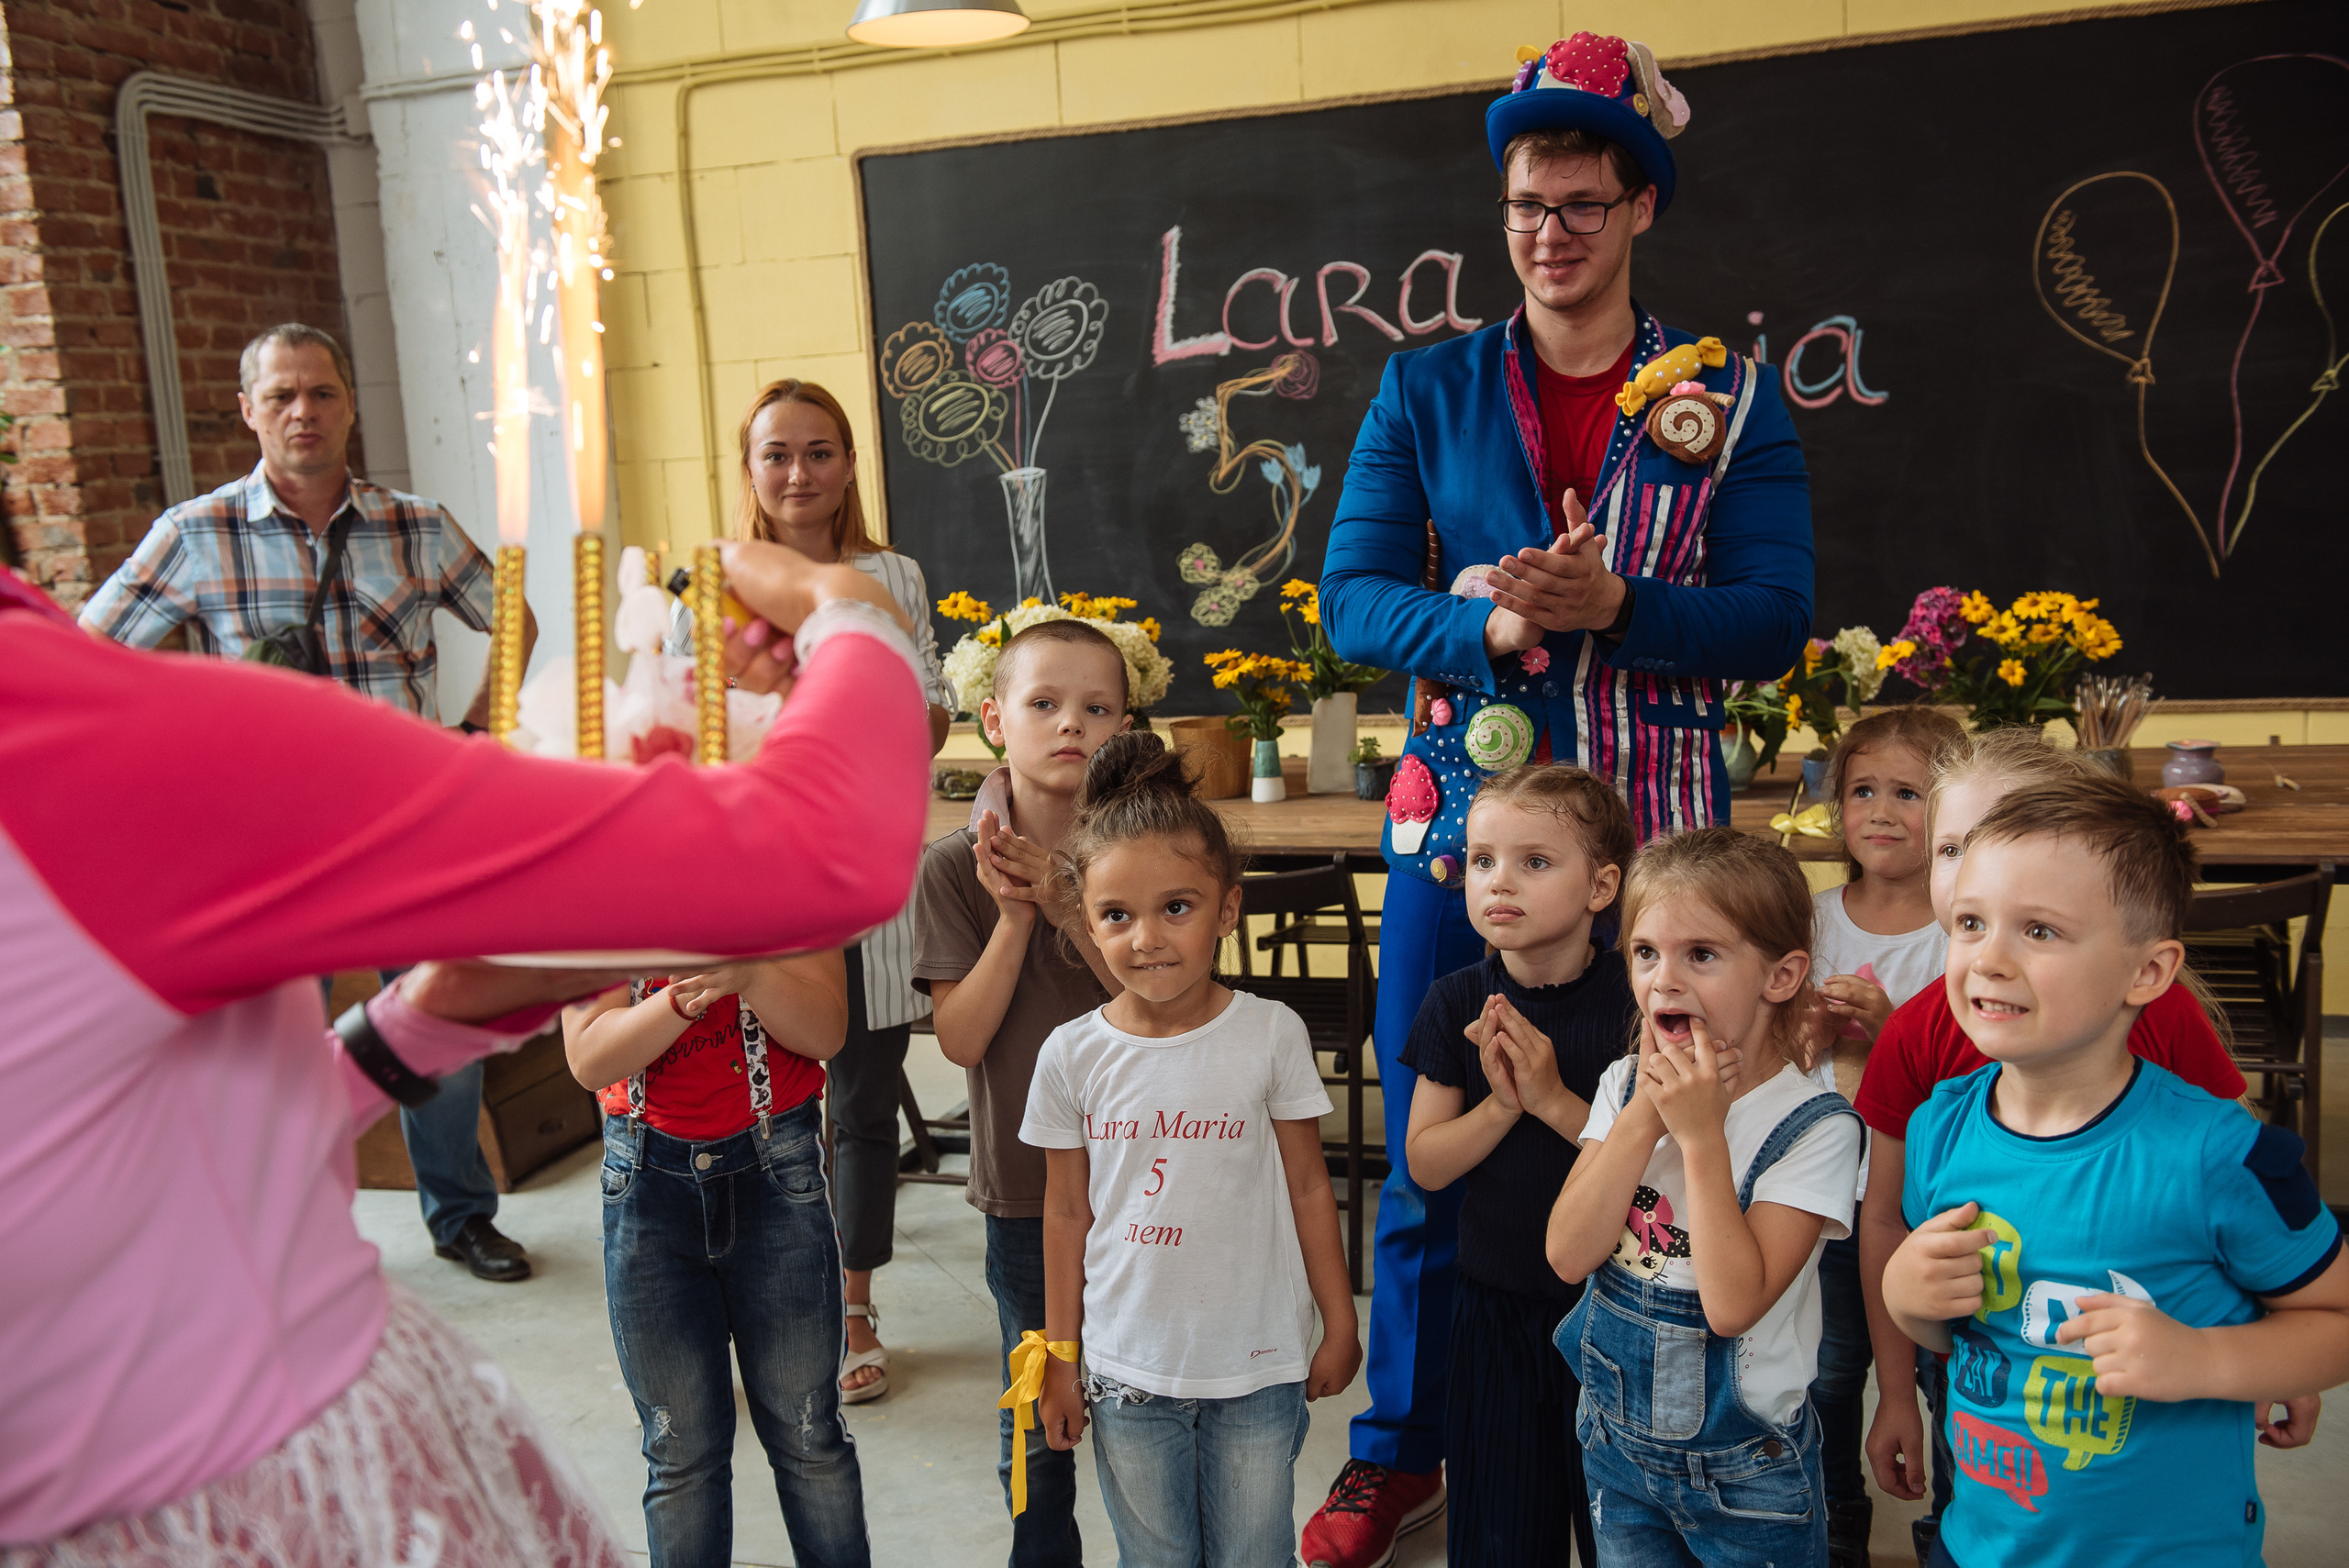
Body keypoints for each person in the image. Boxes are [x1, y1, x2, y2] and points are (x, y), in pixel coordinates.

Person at [0, 541, 928, 1559]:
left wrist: (407, 1033)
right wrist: (845, 606)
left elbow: (88, 1143)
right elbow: (819, 852)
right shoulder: (93, 743)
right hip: (243, 1493)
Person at [1311, 36, 1812, 1556]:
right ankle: (1406, 1440)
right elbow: (1351, 599)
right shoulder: (1427, 386)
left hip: (1661, 862)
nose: (1552, 231)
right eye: (1530, 202)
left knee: (1664, 1136)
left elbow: (1774, 614)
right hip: (1462, 841)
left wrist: (1622, 605)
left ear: (1640, 205)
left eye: (1585, 201)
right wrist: (1496, 628)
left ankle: (1672, 1433)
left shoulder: (1725, 397)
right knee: (1433, 1139)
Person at [78, 322, 544, 1285]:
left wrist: (478, 732)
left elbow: (517, 611)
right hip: (267, 841)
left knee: (434, 1022)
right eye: (281, 395)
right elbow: (95, 654)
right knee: (269, 1045)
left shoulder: (415, 524)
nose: (303, 411)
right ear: (247, 409)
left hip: (406, 825)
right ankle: (288, 1232)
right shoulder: (193, 535)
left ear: (349, 403)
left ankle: (460, 1215)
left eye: (321, 392)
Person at [1882, 777, 2349, 1568]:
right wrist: (1908, 1297)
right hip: (1978, 1544)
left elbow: (2336, 1321)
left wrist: (2206, 1360)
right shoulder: (1940, 1127)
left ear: (2148, 971)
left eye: (2039, 929)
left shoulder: (2221, 1154)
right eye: (1971, 922)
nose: (1989, 958)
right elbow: (1958, 1330)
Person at [669, 377, 956, 1403]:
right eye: (776, 453)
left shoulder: (890, 575)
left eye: (820, 450)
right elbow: (691, 739)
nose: (799, 472)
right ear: (747, 469)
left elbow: (923, 721)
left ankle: (853, 1301)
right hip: (759, 885)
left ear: (847, 465)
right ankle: (775, 1302)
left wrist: (839, 683)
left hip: (863, 879)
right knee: (765, 1108)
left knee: (863, 1104)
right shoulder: (709, 581)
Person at [1019, 733, 1360, 1568]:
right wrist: (1061, 1357)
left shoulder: (1271, 1035)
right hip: (1127, 1365)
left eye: (1177, 906)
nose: (1147, 938)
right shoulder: (1070, 1053)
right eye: (1116, 915)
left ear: (1227, 907)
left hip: (1257, 1366)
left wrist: (1343, 1317)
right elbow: (1065, 1213)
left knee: (1253, 1555)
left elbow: (1310, 1187)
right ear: (1085, 917)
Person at [1548, 827, 1863, 1568]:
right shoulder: (1626, 1084)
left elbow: (1732, 1305)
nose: (1665, 979)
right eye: (1647, 952)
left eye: (1703, 954)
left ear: (1780, 976)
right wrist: (1644, 1119)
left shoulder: (1814, 1128)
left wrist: (1701, 1137)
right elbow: (1567, 1254)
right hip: (1616, 1455)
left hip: (1749, 1477)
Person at [911, 619, 1130, 1567]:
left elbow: (1162, 996)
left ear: (1125, 727)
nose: (1069, 724)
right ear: (995, 721)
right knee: (1041, 1406)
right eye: (1043, 703)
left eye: (1096, 707)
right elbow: (960, 1036)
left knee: (1146, 1407)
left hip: (1151, 1171)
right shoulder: (950, 868)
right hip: (1028, 1191)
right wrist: (1017, 916)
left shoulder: (1147, 855)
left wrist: (1071, 900)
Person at [1398, 765, 1636, 1566]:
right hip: (1494, 1304)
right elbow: (1427, 1164)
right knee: (1500, 1532)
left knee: (1619, 1529)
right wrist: (1501, 1104)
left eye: (1536, 862)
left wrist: (1548, 1096)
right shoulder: (1453, 999)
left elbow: (1655, 1173)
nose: (1500, 881)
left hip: (1618, 1310)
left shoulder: (1638, 1006)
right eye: (1482, 859)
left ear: (1602, 884)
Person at [564, 957, 869, 1567]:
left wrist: (751, 977)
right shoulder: (596, 891)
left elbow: (825, 1031)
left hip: (776, 1167)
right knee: (680, 1450)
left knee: (809, 1434)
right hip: (646, 1181)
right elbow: (590, 1057)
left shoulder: (784, 872)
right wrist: (680, 998)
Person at [1800, 706, 1964, 1564]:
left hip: (1929, 1199)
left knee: (1943, 1379)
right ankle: (1832, 1528)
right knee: (1826, 1377)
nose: (1883, 810)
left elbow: (1978, 1073)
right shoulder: (1814, 914)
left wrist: (1895, 1028)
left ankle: (1957, 1529)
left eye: (1910, 792)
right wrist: (1817, 1034)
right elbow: (1776, 1053)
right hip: (1826, 1198)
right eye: (1863, 789)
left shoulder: (1963, 929)